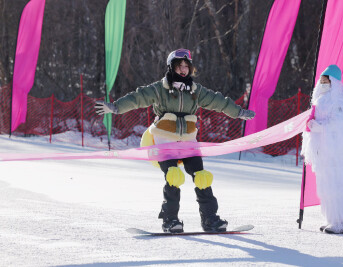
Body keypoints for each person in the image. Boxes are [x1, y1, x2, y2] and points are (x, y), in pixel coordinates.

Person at [95, 48, 255, 233]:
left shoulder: (196, 91)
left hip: (188, 141)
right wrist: (116, 107)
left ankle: (210, 219)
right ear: (171, 67)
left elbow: (218, 101)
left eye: (187, 66)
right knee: (174, 176)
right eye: (179, 66)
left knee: (202, 177)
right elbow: (138, 97)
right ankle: (170, 220)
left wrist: (238, 112)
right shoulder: (159, 89)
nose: (183, 69)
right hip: (164, 141)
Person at [301, 64, 343, 234]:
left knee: (337, 184)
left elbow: (340, 123)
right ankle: (332, 219)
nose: (323, 83)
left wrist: (320, 127)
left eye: (327, 80)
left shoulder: (341, 99)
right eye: (322, 80)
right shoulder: (321, 99)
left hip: (334, 151)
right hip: (322, 150)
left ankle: (342, 222)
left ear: (334, 81)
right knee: (325, 186)